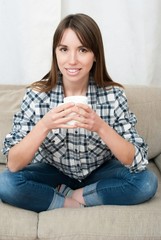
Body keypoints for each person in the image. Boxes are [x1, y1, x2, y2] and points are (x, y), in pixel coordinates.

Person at [0, 13, 158, 213]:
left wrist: (100, 127)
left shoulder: (113, 96)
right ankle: (67, 202)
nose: (72, 60)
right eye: (64, 49)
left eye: (82, 50)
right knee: (5, 183)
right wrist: (44, 125)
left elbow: (137, 160)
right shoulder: (37, 95)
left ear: (95, 55)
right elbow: (13, 164)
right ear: (55, 53)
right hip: (52, 172)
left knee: (146, 182)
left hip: (99, 173)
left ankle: (77, 194)